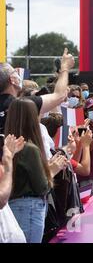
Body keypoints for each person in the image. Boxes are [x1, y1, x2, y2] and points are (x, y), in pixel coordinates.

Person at [5, 98, 53, 243]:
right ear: (32, 118)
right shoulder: (30, 149)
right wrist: (53, 170)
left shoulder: (7, 146)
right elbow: (42, 187)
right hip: (29, 208)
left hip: (12, 206)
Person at [0, 49, 75, 135]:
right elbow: (60, 95)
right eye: (15, 72)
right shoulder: (23, 104)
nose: (18, 75)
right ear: (13, 80)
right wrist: (65, 68)